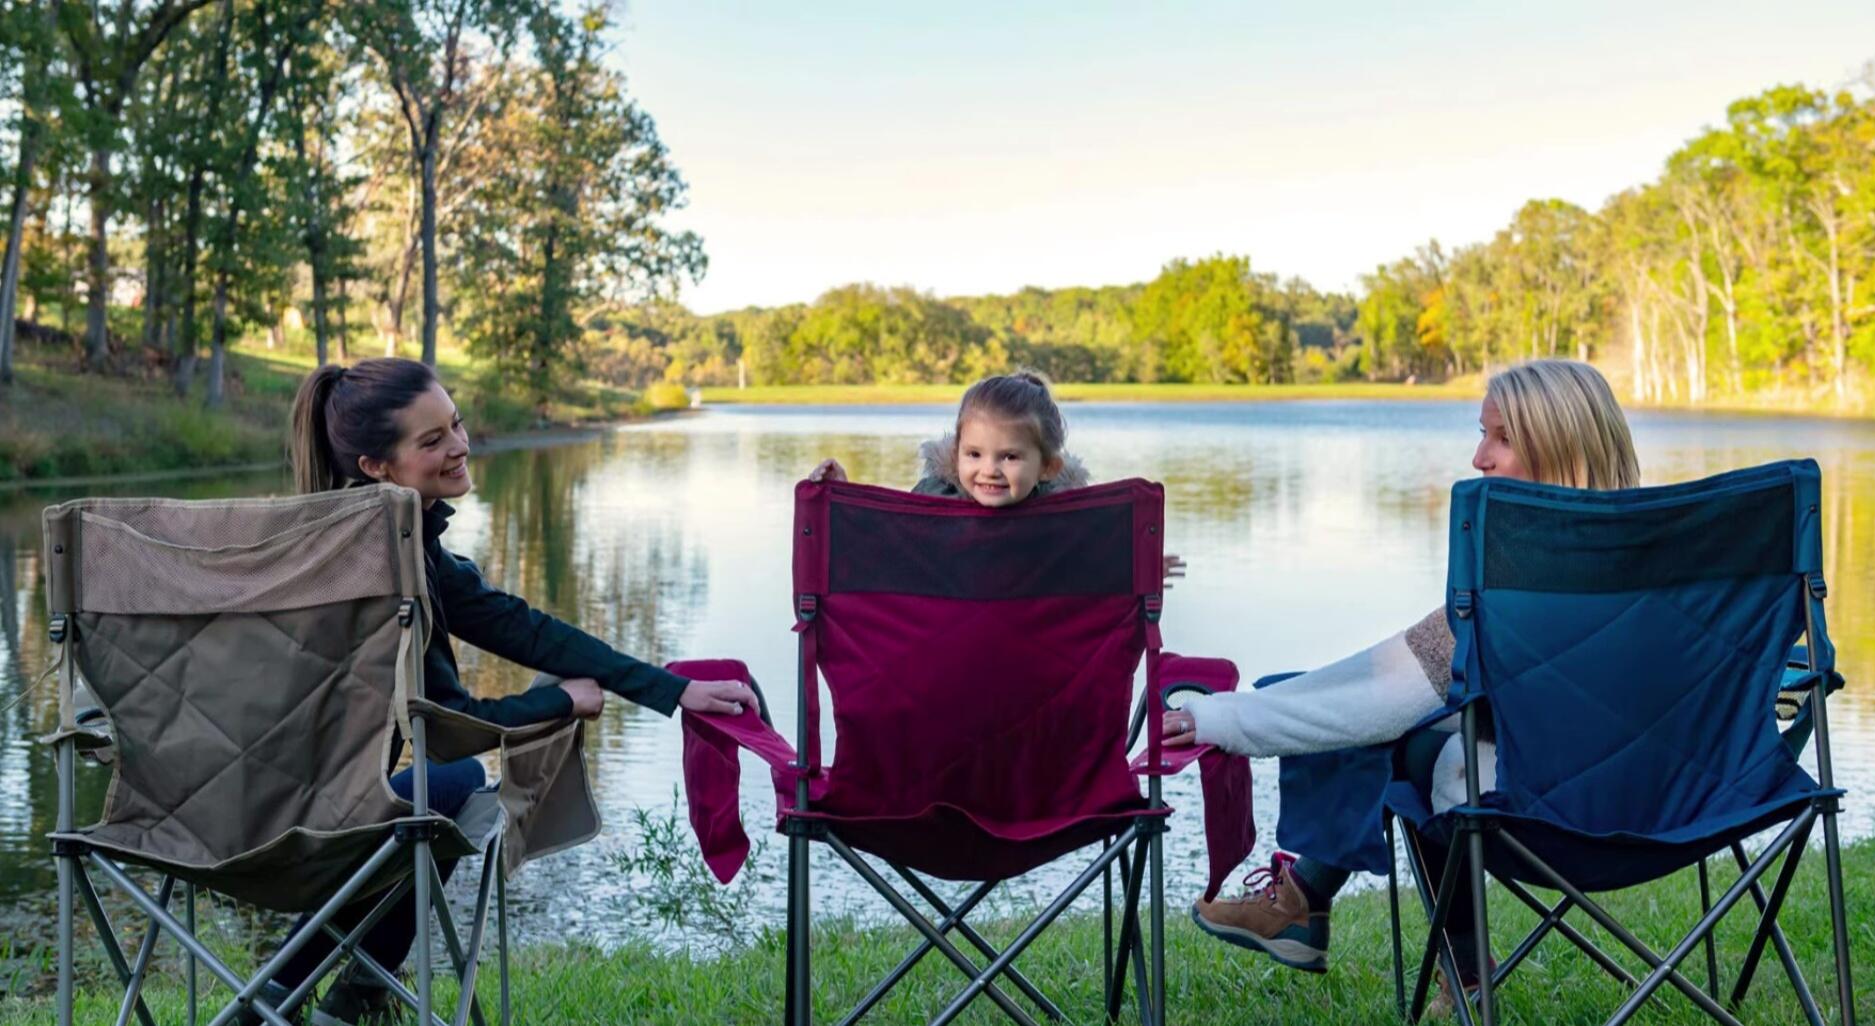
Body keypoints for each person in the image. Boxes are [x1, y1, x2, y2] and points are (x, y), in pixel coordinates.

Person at [254, 358, 759, 1026]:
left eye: (455, 425)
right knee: (449, 784)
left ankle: (279, 1001)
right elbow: (450, 722)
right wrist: (558, 702)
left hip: (214, 826)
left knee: (427, 800)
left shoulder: (341, 543)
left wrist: (670, 690)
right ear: (377, 466)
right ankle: (332, 1002)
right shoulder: (387, 567)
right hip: (315, 829)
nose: (459, 446)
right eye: (431, 441)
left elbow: (528, 631)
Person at [1161, 359, 1640, 1016]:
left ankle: (1319, 906)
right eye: (1482, 435)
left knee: (1408, 742)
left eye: (1500, 438)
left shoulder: (1511, 582)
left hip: (1543, 815)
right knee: (1424, 724)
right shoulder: (1675, 552)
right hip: (1684, 807)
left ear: (1559, 443)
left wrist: (1224, 719)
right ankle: (1317, 906)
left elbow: (1380, 700)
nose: (1479, 459)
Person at [810, 369, 1186, 582]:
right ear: (956, 453)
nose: (989, 469)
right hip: (943, 665)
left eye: (1008, 457)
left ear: (1048, 467)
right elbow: (886, 547)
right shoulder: (935, 500)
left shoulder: (1067, 521)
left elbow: (1089, 570)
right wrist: (844, 497)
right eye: (974, 454)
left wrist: (1135, 569)